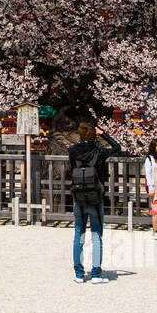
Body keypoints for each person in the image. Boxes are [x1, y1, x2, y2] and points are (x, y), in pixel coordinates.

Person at [67, 121, 121, 284]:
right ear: (93, 133)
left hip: (79, 195)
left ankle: (79, 273)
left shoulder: (73, 151)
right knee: (96, 235)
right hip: (96, 196)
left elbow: (72, 168)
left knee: (79, 234)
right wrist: (103, 133)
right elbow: (116, 147)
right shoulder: (98, 150)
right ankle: (96, 273)